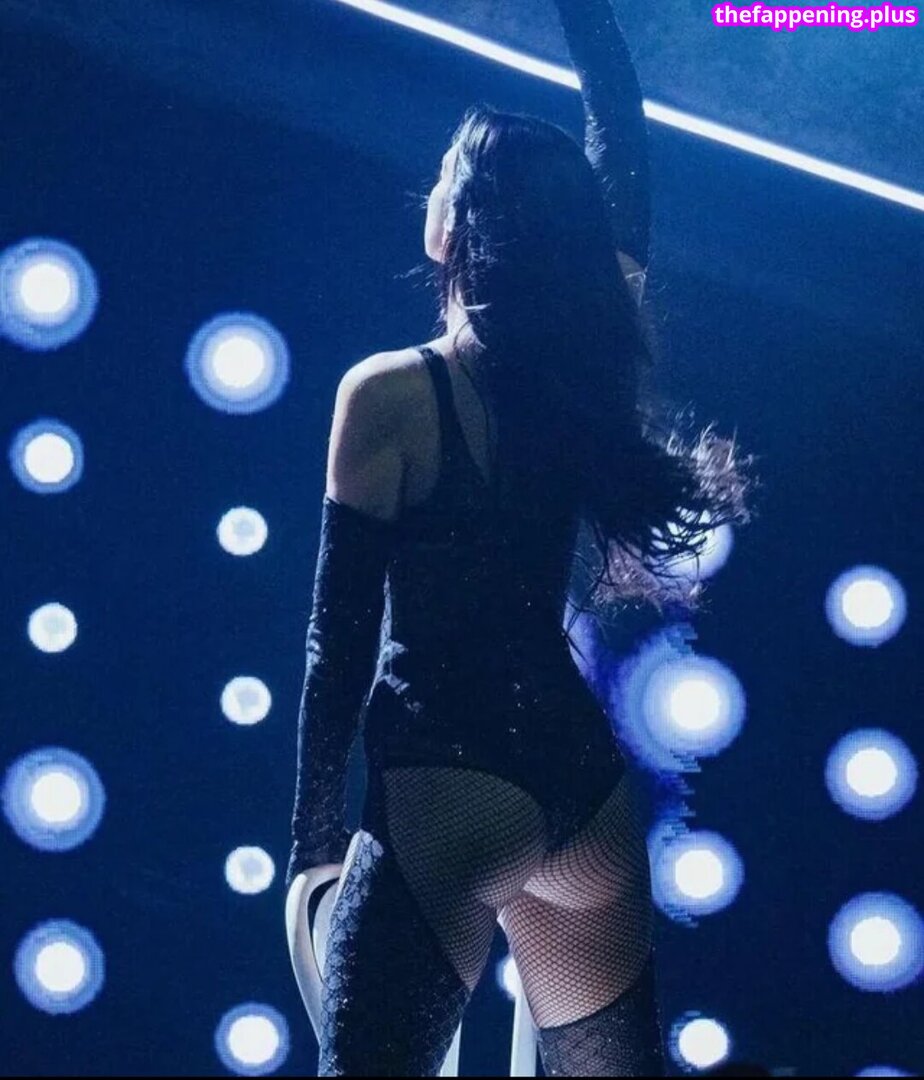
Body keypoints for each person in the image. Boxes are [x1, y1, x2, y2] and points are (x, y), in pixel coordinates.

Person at [285, 0, 751, 1075]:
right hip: (582, 795)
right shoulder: (583, 370)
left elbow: (335, 648)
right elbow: (621, 142)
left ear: (455, 225)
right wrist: (588, 18)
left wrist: (310, 852)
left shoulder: (388, 396)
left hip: (448, 788)